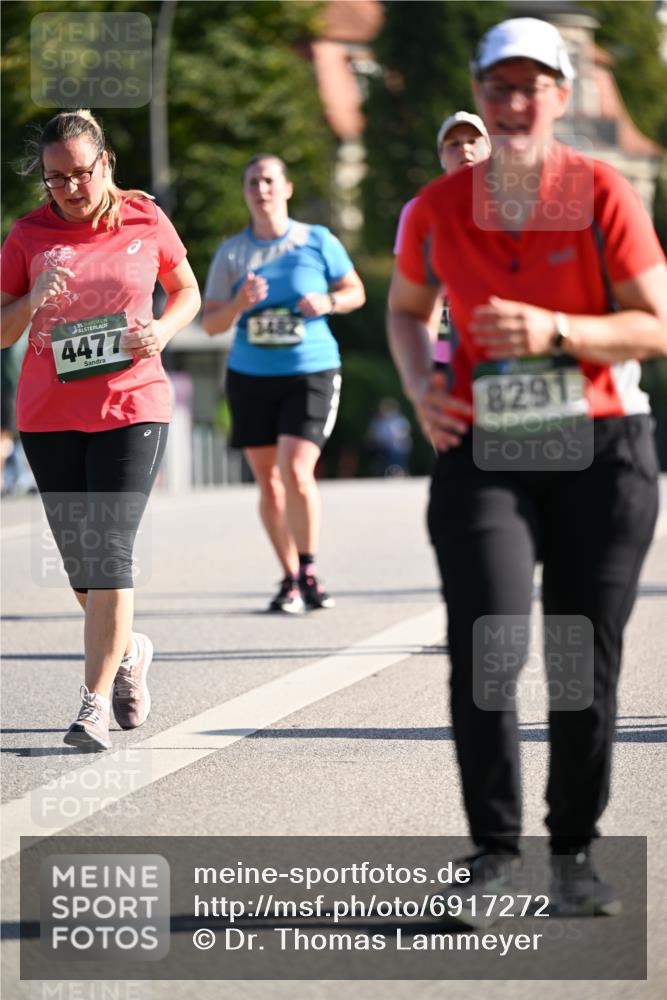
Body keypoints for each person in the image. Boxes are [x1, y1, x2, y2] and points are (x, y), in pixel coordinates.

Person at [388, 17, 667, 917]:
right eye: (496, 87)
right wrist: (417, 389)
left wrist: (559, 332)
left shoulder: (601, 192)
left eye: (528, 87)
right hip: (485, 452)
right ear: (478, 93)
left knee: (580, 657)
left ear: (559, 94)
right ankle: (492, 851)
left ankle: (575, 852)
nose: (510, 104)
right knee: (488, 647)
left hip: (600, 447)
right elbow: (404, 309)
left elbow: (655, 324)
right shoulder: (436, 208)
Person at [0, 109, 200, 750]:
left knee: (110, 552)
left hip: (133, 406)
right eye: (55, 179)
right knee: (83, 572)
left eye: (80, 174)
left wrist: (162, 331)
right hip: (50, 417)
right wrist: (32, 300)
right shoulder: (27, 235)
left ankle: (91, 705)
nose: (70, 189)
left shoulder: (145, 217)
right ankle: (132, 647)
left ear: (105, 164)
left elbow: (186, 289)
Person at [203, 154, 365, 613]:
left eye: (269, 180)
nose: (262, 189)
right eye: (253, 181)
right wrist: (237, 304)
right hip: (251, 377)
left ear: (287, 187)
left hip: (310, 371)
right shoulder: (232, 253)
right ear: (245, 191)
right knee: (269, 485)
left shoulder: (318, 240)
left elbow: (358, 292)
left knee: (296, 470)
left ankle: (309, 570)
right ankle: (290, 576)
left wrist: (329, 300)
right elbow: (212, 323)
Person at [390, 111, 491, 370]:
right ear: (441, 158)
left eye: (473, 141)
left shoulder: (512, 204)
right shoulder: (419, 209)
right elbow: (408, 291)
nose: (465, 149)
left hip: (498, 324)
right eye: (454, 144)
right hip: (445, 328)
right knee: (449, 398)